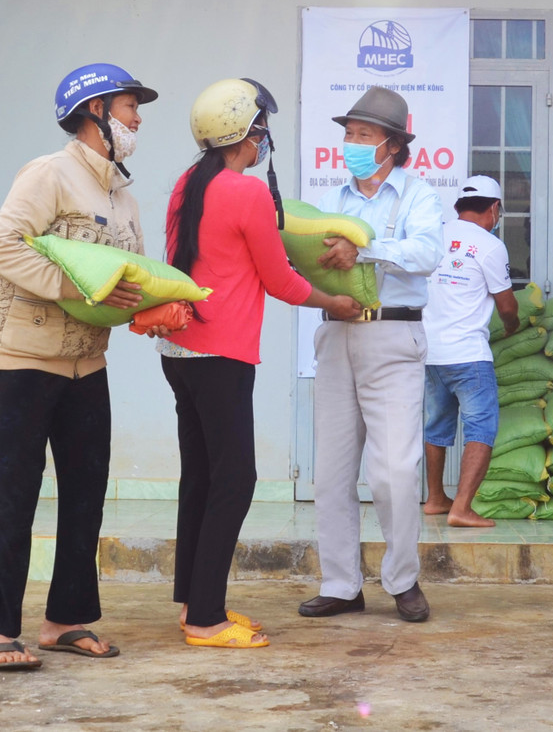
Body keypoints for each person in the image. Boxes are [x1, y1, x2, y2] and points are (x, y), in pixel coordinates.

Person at [160, 79, 361, 649]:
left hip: (179, 350)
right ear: (248, 134)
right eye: (261, 127)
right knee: (236, 479)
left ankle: (196, 602)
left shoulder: (186, 184)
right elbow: (280, 281)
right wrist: (334, 302)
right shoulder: (245, 192)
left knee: (200, 475)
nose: (265, 137)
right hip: (221, 353)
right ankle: (205, 619)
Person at [0, 63, 158, 669]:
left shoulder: (123, 195)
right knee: (13, 494)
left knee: (86, 494)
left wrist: (156, 308)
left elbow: (130, 278)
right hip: (23, 362)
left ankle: (64, 619)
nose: (138, 118)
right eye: (128, 107)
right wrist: (73, 289)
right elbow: (8, 244)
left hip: (87, 366)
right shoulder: (49, 174)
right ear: (94, 112)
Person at [298, 86, 443, 623]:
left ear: (393, 144)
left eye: (363, 135)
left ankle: (402, 580)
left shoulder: (417, 195)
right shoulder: (333, 200)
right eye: (348, 134)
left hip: (393, 339)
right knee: (332, 473)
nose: (351, 144)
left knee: (394, 470)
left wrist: (368, 248)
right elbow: (308, 256)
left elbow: (428, 253)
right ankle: (340, 584)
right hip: (336, 335)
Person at [420, 175, 519, 527]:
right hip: (469, 354)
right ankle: (461, 508)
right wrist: (512, 329)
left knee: (436, 425)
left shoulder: (434, 235)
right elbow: (507, 306)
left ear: (459, 207)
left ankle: (435, 498)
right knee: (481, 427)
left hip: (430, 352)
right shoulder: (490, 245)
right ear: (494, 209)